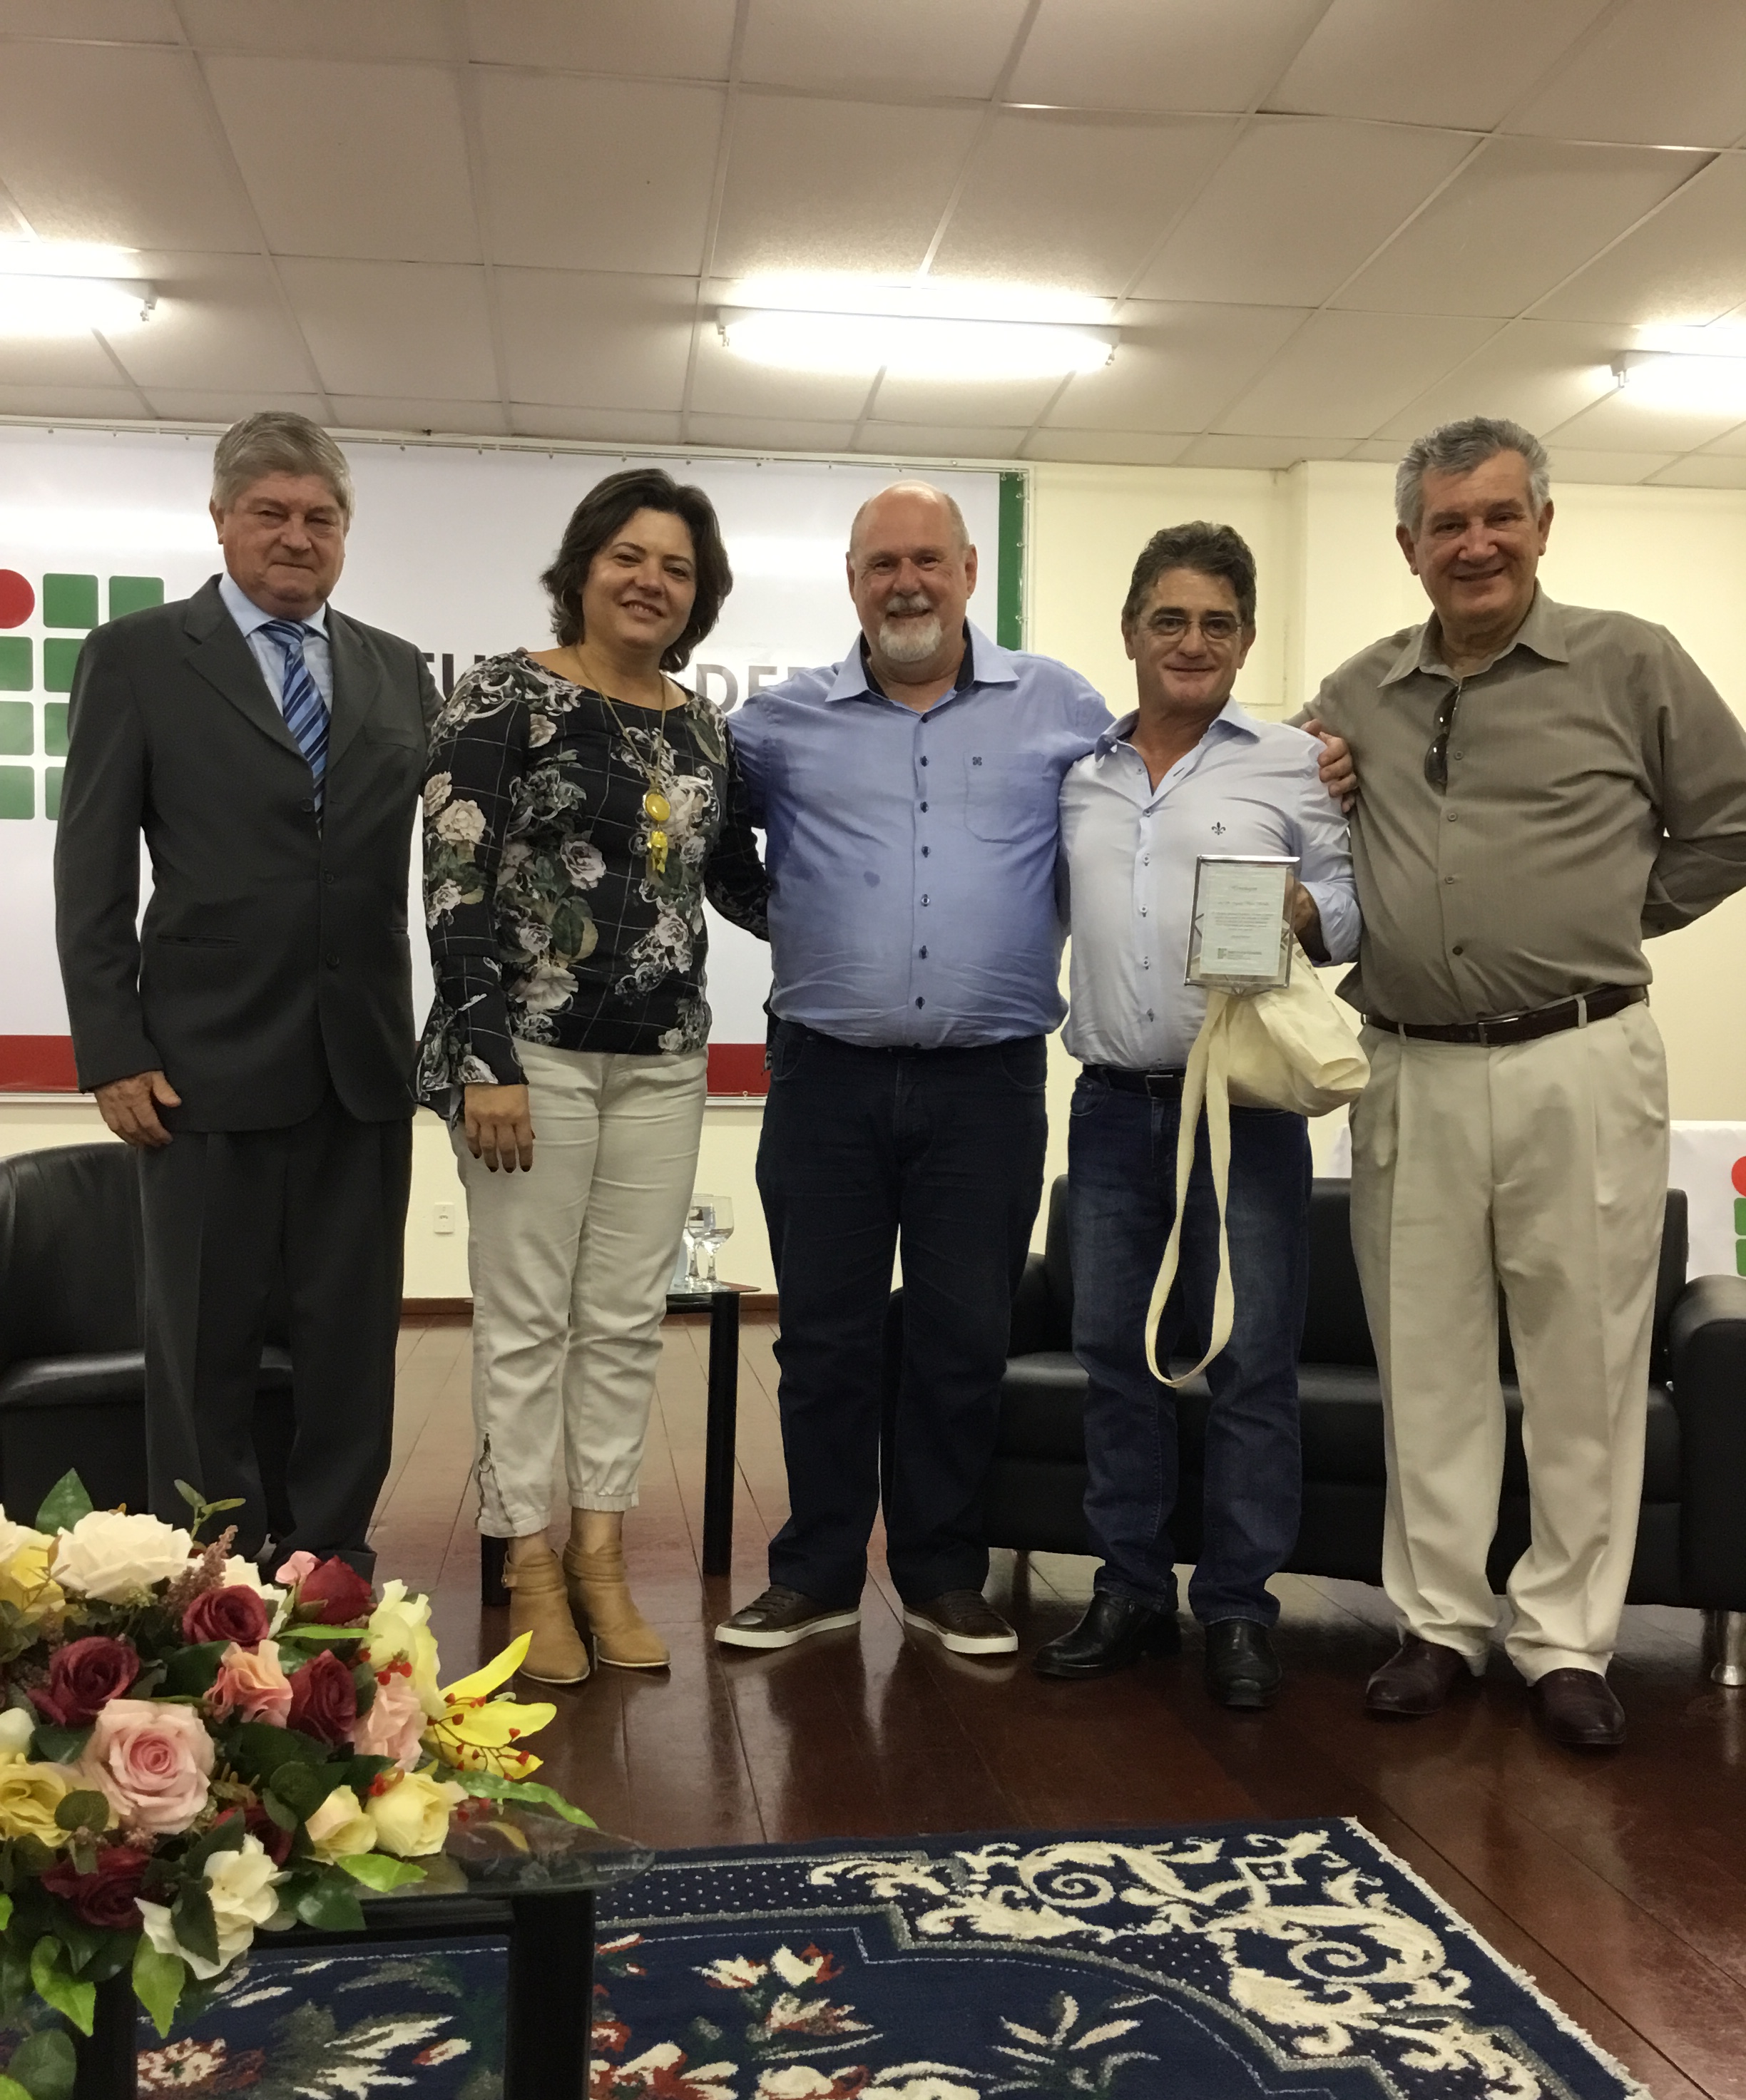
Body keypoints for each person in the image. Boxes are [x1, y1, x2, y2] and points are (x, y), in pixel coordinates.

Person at [718, 482, 1353, 1660]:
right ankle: (814, 1574)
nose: (907, 582)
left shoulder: (1064, 711)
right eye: (882, 564)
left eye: (929, 559)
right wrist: (798, 921)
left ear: (969, 571)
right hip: (826, 1080)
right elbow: (712, 842)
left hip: (991, 1086)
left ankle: (945, 1576)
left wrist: (1323, 792)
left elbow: (1246, 825)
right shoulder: (776, 724)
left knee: (963, 1339)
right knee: (824, 1341)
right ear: (852, 582)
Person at [1305, 415, 1746, 1749]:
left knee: (1586, 1360)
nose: (1477, 543)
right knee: (1425, 1355)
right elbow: (1303, 841)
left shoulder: (1632, 661)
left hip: (1582, 1056)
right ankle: (1440, 1622)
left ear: (1543, 525)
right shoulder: (1357, 692)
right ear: (1410, 545)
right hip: (1411, 1064)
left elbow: (1731, 822)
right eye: (1449, 523)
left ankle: (1565, 1638)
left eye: (1501, 515)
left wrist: (1611, 915)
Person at [53, 411, 439, 1577]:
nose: (296, 536)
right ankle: (211, 1579)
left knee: (351, 1345)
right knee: (203, 1348)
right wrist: (112, 1046)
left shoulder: (396, 668)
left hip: (360, 1066)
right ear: (221, 520)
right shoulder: (136, 655)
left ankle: (331, 1564)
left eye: (320, 516)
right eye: (270, 512)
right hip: (197, 1068)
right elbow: (91, 866)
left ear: (346, 531)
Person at [420, 467, 767, 1686]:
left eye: (676, 567)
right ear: (582, 568)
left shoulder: (702, 727)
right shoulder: (503, 694)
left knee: (624, 1321)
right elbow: (454, 883)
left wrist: (868, 914)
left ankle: (602, 1560)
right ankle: (529, 1563)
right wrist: (485, 1058)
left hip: (664, 1060)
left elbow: (731, 880)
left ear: (699, 596)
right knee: (528, 1321)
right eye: (629, 556)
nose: (650, 581)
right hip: (529, 1057)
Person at [1038, 523, 1358, 1705]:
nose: (1192, 641)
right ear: (1131, 632)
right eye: (1169, 620)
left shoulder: (1296, 762)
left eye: (1217, 623)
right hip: (1112, 1108)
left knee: (1252, 1362)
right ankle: (1129, 1591)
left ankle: (1237, 1608)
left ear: (1247, 639)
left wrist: (1303, 913)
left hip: (1248, 1112)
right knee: (1114, 1356)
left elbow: (1353, 908)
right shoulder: (1079, 774)